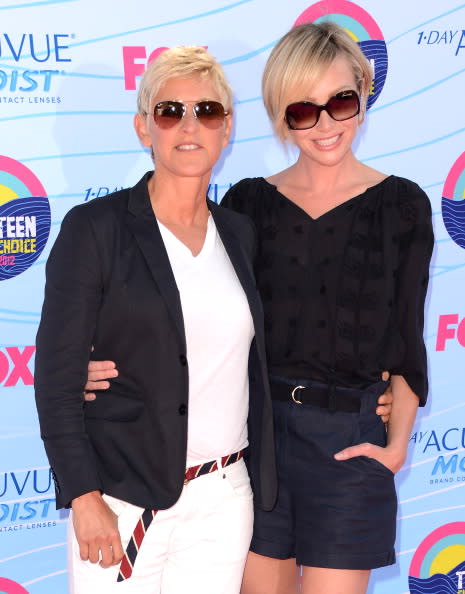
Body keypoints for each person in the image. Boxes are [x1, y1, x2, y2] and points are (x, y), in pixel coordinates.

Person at [84, 23, 419, 594]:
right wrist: (96, 363)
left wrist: (396, 445)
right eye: (302, 110)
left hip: (348, 442)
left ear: (364, 96)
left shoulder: (402, 204)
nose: (326, 124)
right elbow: (192, 314)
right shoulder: (245, 208)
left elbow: (407, 340)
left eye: (340, 101)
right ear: (278, 115)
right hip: (257, 445)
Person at [34, 46, 277, 594]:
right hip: (122, 500)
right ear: (144, 127)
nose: (190, 126)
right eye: (170, 111)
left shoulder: (239, 234)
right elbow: (55, 378)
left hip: (224, 499)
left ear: (227, 127)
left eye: (207, 111)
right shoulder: (95, 229)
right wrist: (83, 495)